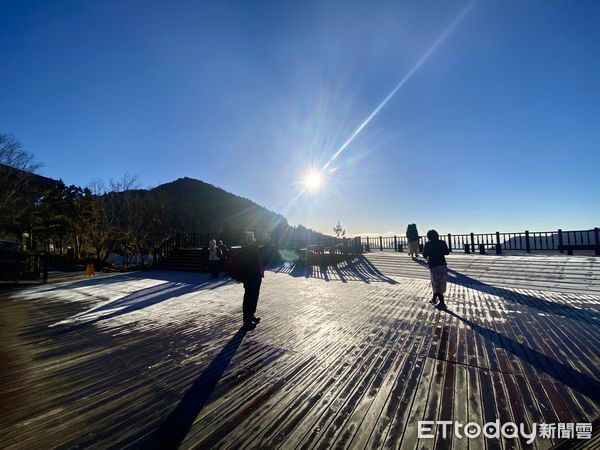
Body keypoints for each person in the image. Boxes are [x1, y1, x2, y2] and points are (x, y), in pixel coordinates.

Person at [240, 231, 264, 330]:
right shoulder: (247, 249)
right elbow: (257, 244)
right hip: (250, 278)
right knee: (249, 298)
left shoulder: (251, 249)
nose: (253, 239)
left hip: (255, 277)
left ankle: (251, 316)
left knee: (254, 297)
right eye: (251, 238)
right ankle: (247, 321)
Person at [422, 229, 450, 308]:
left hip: (433, 265)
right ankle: (434, 299)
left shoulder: (428, 244)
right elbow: (447, 252)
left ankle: (442, 302)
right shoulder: (442, 242)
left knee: (435, 283)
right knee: (441, 283)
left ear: (428, 237)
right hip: (442, 264)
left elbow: (424, 255)